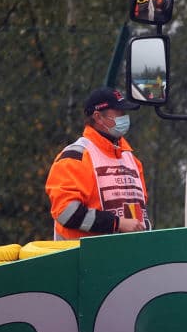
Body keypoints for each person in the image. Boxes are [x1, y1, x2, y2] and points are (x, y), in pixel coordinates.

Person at [46, 88, 150, 240]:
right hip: (80, 259)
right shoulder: (75, 157)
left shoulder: (131, 160)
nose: (125, 118)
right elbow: (65, 213)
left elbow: (139, 214)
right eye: (119, 113)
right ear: (98, 117)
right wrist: (117, 223)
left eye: (125, 113)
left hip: (127, 257)